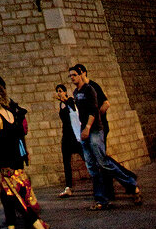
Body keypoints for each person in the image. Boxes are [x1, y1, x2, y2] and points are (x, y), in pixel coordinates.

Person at [0, 80, 59, 229]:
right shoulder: (11, 114)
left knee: (19, 204)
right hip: (15, 164)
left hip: (8, 168)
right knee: (7, 201)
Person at [69, 65, 142, 209]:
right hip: (85, 131)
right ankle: (101, 200)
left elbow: (95, 109)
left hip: (94, 130)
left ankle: (131, 184)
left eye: (74, 75)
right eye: (70, 76)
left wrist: (90, 127)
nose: (72, 78)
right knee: (92, 167)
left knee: (103, 162)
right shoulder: (76, 93)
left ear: (81, 74)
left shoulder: (91, 88)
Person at [74, 64, 113, 199]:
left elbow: (106, 103)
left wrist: (97, 116)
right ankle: (102, 194)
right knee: (95, 162)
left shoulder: (92, 87)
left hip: (97, 127)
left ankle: (110, 191)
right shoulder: (79, 91)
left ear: (83, 73)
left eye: (78, 74)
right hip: (89, 128)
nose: (75, 77)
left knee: (101, 160)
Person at [55, 84, 82, 196]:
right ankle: (68, 187)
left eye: (61, 91)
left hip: (74, 136)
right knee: (66, 161)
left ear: (65, 92)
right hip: (66, 135)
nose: (59, 93)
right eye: (58, 91)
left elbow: (74, 110)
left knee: (86, 157)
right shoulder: (61, 104)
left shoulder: (70, 101)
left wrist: (65, 100)